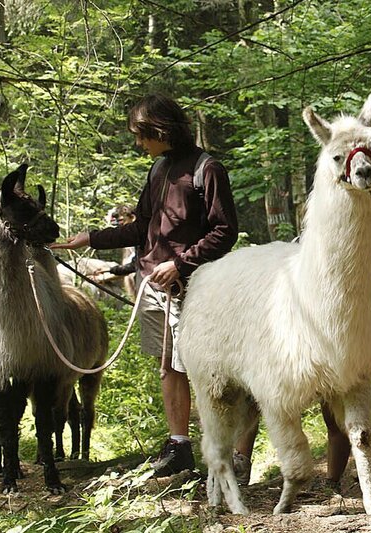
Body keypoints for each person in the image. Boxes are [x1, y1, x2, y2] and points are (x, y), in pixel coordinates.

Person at [52, 94, 239, 477]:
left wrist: (181, 263)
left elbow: (225, 230)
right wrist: (90, 238)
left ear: (161, 130)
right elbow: (142, 228)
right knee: (167, 366)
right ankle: (179, 446)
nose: (139, 144)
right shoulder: (158, 170)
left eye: (141, 135)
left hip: (196, 289)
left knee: (202, 371)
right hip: (153, 288)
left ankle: (220, 452)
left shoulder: (207, 169)